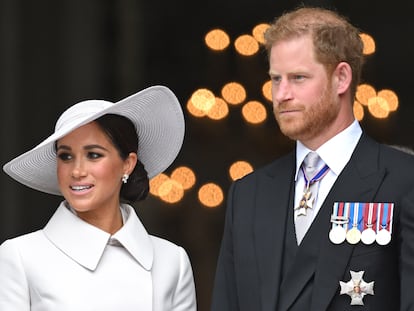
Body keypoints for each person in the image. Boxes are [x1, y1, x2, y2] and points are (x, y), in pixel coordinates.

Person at [211, 6, 414, 311]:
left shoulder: (404, 180)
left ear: (341, 78)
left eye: (298, 78)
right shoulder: (247, 194)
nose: (281, 94)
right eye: (276, 79)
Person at [0, 85, 197, 310]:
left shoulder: (172, 261)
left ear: (128, 164)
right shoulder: (21, 257)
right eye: (66, 156)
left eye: (93, 155)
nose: (77, 171)